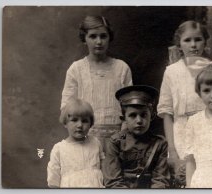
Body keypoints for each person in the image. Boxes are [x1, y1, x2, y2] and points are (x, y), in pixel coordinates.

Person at [61, 15, 133, 151]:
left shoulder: (122, 68)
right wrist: (80, 133)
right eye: (93, 36)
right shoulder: (76, 69)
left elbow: (130, 108)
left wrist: (121, 137)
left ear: (109, 38)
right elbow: (66, 108)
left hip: (117, 140)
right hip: (85, 140)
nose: (99, 41)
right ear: (84, 39)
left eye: (103, 36)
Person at [157, 20, 212, 186]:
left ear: (205, 42)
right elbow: (167, 113)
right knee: (185, 180)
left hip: (208, 131)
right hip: (181, 134)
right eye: (187, 40)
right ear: (179, 45)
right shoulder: (172, 72)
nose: (193, 45)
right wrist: (172, 151)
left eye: (198, 39)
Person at [103, 85, 170, 188]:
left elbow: (160, 180)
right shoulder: (116, 142)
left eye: (144, 115)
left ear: (151, 116)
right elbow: (113, 181)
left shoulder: (159, 144)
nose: (139, 121)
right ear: (124, 118)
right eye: (133, 115)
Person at [47, 98, 105, 188]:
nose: (80, 125)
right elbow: (53, 180)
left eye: (85, 121)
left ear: (91, 124)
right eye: (74, 120)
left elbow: (104, 168)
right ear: (65, 123)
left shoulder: (95, 143)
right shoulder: (59, 149)